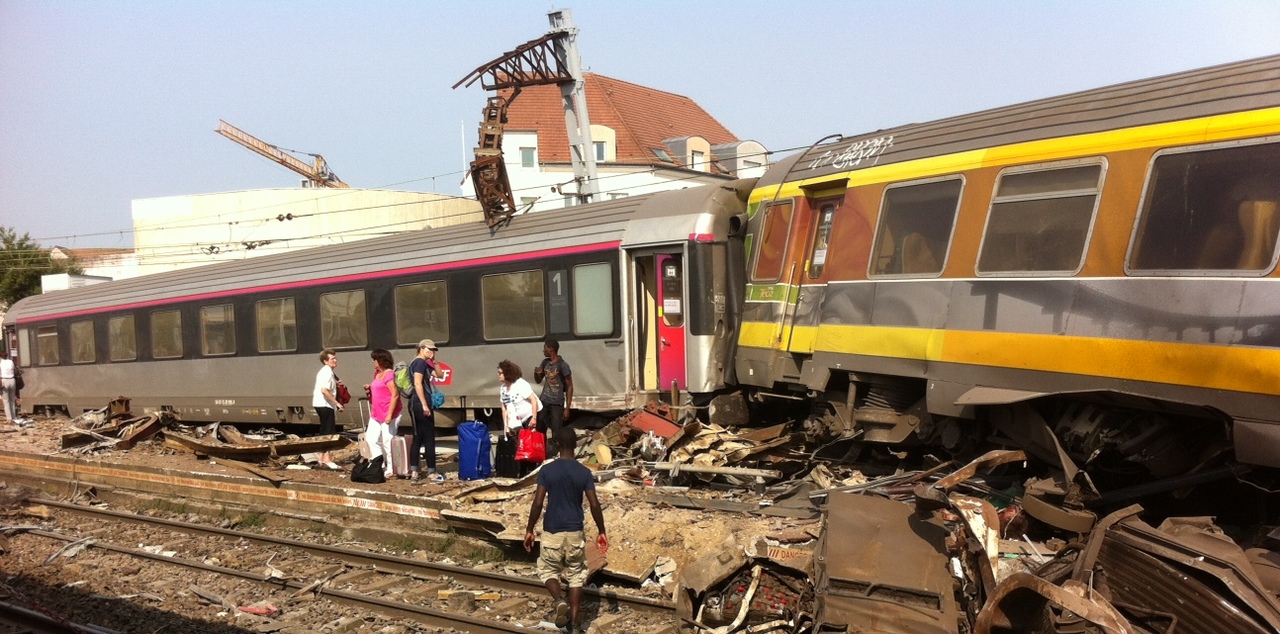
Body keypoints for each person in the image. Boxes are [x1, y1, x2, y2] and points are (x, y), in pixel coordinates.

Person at [525, 426, 608, 633]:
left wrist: (529, 529)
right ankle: (576, 624)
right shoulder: (584, 472)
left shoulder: (547, 471)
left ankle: (559, 600)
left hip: (552, 530)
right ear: (575, 445)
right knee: (577, 575)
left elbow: (537, 503)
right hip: (575, 532)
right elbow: (595, 505)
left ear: (557, 445)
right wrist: (602, 530)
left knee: (547, 570)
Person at [409, 338, 446, 484]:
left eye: (433, 350)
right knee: (429, 437)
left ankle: (414, 472)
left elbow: (440, 375)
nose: (431, 352)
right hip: (420, 403)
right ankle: (432, 472)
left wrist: (435, 362)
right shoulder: (420, 362)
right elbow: (418, 383)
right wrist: (425, 405)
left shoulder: (420, 363)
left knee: (417, 437)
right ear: (421, 348)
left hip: (414, 403)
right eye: (429, 349)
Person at [363, 348, 400, 480]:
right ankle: (378, 464)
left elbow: (395, 395)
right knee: (371, 438)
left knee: (387, 441)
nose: (373, 362)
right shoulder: (377, 374)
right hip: (376, 413)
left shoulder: (389, 374)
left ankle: (391, 468)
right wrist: (369, 389)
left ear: (381, 360)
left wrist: (389, 415)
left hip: (389, 413)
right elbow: (377, 392)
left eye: (375, 360)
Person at [498, 359, 540, 476]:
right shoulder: (503, 389)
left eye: (500, 373)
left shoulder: (520, 384)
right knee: (519, 444)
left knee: (528, 443)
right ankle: (521, 469)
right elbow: (504, 408)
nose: (498, 375)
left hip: (528, 414)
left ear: (507, 373)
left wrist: (534, 418)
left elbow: (533, 400)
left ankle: (531, 469)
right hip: (516, 418)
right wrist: (506, 427)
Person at [534, 337, 573, 442]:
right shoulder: (545, 363)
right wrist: (536, 373)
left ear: (551, 349)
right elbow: (538, 380)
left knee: (556, 432)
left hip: (556, 404)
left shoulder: (563, 365)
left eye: (545, 348)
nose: (543, 350)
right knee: (540, 430)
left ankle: (555, 453)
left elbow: (570, 386)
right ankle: (541, 453)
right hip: (544, 401)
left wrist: (567, 408)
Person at [312, 349, 345, 469]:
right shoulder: (327, 372)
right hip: (325, 405)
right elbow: (324, 390)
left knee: (324, 431)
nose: (335, 360)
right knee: (329, 432)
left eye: (335, 358)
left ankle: (321, 458)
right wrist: (337, 403)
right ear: (326, 361)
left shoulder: (326, 371)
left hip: (321, 404)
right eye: (332, 359)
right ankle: (327, 459)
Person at [0, 352, 16, 423]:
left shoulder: (1, 363)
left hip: (4, 381)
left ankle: (9, 419)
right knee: (12, 400)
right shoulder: (11, 362)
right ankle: (14, 417)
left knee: (6, 401)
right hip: (12, 381)